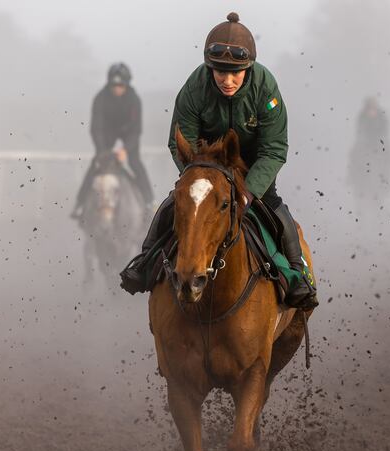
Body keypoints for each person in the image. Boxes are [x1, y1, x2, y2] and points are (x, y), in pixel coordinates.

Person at [119, 12, 318, 310]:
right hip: (207, 166)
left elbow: (275, 147)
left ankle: (298, 274)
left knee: (277, 212)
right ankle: (144, 262)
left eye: (235, 73)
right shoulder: (194, 87)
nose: (227, 80)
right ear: (209, 68)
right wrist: (199, 178)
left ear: (248, 68)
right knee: (176, 203)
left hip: (253, 169)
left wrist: (248, 191)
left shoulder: (265, 88)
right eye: (219, 72)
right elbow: (179, 140)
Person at [71, 62, 153, 218]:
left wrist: (125, 150)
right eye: (114, 85)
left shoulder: (134, 99)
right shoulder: (100, 98)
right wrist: (102, 151)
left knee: (135, 162)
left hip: (128, 132)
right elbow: (96, 128)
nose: (117, 88)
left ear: (127, 85)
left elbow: (136, 130)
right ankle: (80, 203)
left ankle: (149, 201)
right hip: (107, 132)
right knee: (96, 163)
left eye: (121, 85)